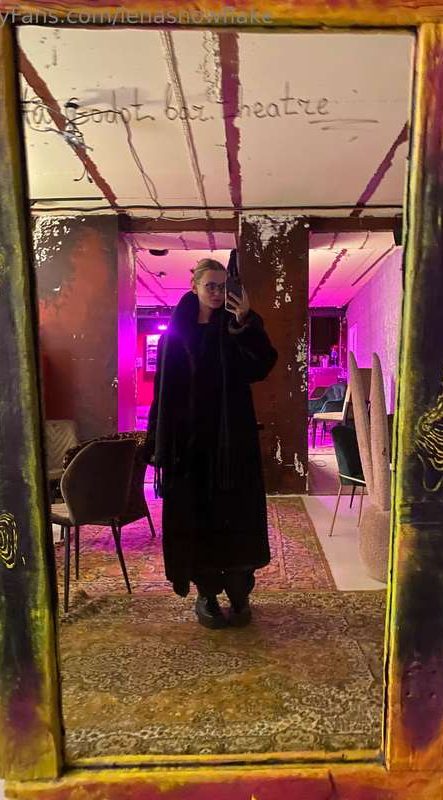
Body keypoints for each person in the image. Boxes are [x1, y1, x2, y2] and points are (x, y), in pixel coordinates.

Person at [144, 258, 278, 629]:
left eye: (223, 286)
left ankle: (239, 592)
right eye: (211, 286)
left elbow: (261, 366)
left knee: (237, 516)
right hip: (189, 448)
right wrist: (158, 442)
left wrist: (246, 322)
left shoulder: (236, 327)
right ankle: (207, 594)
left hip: (232, 442)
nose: (218, 293)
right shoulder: (175, 334)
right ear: (195, 287)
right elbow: (162, 392)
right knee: (195, 519)